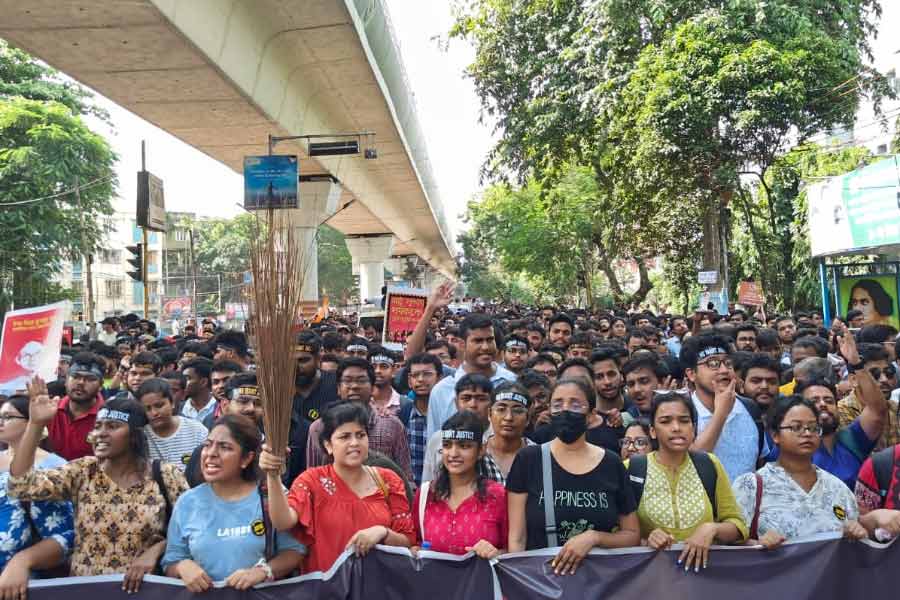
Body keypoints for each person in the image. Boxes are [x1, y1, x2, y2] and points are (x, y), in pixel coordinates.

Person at [8, 384, 187, 592]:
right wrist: (36, 425)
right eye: (98, 426)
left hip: (142, 591)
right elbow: (21, 487)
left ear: (135, 435)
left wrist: (157, 550)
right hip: (86, 590)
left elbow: (189, 532)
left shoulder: (165, 475)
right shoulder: (83, 470)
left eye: (112, 426)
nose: (100, 433)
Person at [259, 402, 415, 573]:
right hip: (328, 589)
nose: (355, 442)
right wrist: (272, 475)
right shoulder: (311, 481)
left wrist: (382, 532)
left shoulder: (388, 480)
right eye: (344, 437)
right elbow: (283, 522)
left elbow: (408, 541)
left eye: (360, 435)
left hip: (379, 588)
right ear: (328, 445)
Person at [506, 377, 640, 575]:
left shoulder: (612, 463)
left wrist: (595, 537)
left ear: (591, 416)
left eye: (575, 404)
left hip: (600, 584)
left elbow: (632, 535)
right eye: (558, 404)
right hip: (542, 584)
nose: (566, 410)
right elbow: (517, 538)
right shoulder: (529, 459)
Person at [161, 415, 305, 591]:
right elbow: (170, 562)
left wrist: (263, 571)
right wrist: (182, 566)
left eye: (225, 447)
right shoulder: (187, 502)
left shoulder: (270, 495)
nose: (211, 453)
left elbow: (295, 551)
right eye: (208, 445)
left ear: (246, 459)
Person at [626, 391, 747, 570]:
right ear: (652, 431)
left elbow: (737, 526)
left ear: (693, 428)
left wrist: (711, 529)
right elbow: (616, 531)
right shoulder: (631, 469)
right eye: (666, 421)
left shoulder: (709, 465)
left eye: (684, 421)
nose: (676, 427)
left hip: (705, 576)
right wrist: (645, 540)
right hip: (650, 578)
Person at [732, 396, 866, 548]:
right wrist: (758, 544)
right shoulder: (751, 485)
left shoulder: (838, 488)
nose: (807, 433)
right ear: (775, 435)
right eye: (796, 427)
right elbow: (732, 544)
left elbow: (855, 539)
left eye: (813, 427)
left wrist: (856, 532)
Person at [0, 394, 74, 592]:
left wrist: (23, 561)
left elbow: (67, 533)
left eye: (8, 417)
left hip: (25, 583)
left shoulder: (54, 466)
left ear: (31, 421)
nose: (1, 422)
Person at [413, 411, 507, 557]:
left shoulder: (498, 495)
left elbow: (513, 551)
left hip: (482, 580)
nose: (453, 453)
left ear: (481, 450)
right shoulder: (426, 494)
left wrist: (495, 553)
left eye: (464, 446)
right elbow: (415, 542)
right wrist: (414, 550)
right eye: (447, 445)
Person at [305, 358, 411, 480]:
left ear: (372, 388)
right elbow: (312, 478)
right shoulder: (319, 428)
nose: (354, 386)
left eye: (361, 381)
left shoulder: (392, 425)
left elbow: (405, 477)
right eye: (347, 381)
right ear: (339, 388)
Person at [681, 334, 762, 481]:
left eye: (728, 363)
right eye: (712, 364)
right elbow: (691, 464)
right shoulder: (682, 412)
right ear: (692, 374)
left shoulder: (750, 407)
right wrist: (721, 414)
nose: (724, 370)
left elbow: (760, 463)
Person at [425, 313, 516, 439]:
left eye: (490, 340)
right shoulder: (442, 391)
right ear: (462, 344)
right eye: (478, 341)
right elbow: (434, 444)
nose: (485, 347)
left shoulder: (512, 382)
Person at [46, 352, 107, 461]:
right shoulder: (49, 411)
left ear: (101, 385)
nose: (81, 383)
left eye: (90, 379)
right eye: (75, 376)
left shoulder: (108, 417)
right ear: (66, 380)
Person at [139, 378, 208, 472]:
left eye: (159, 405)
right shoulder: (141, 436)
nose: (154, 413)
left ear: (172, 403)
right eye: (148, 409)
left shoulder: (197, 430)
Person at [397, 353, 443, 486]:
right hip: (411, 492)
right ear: (409, 381)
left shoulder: (447, 415)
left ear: (440, 379)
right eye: (415, 375)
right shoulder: (402, 414)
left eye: (427, 374)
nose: (421, 379)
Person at [485, 382, 535, 479]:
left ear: (528, 418)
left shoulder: (539, 455)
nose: (508, 417)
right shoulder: (477, 454)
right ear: (489, 414)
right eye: (501, 409)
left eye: (517, 411)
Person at [180, 357, 216, 423]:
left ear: (203, 382)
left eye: (188, 378)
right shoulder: (178, 409)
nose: (182, 382)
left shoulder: (219, 409)